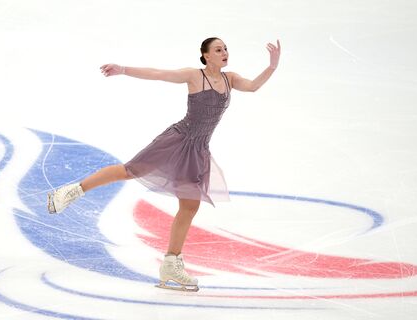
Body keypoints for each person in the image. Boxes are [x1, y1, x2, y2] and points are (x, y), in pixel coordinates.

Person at [47, 37, 281, 291]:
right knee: (129, 171)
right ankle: (70, 191)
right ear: (205, 55)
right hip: (177, 139)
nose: (224, 52)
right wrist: (123, 69)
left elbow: (253, 86)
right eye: (218, 50)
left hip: (198, 149)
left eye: (225, 49)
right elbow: (158, 74)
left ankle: (171, 264)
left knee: (190, 206)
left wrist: (271, 67)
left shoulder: (230, 79)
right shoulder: (194, 76)